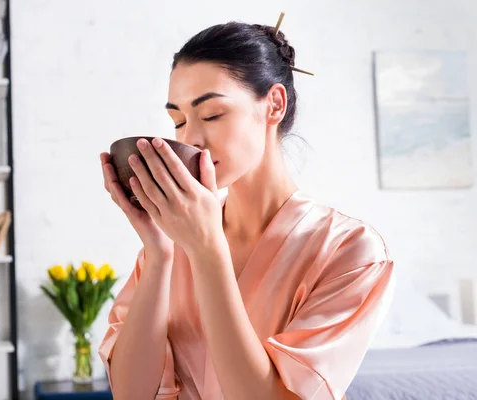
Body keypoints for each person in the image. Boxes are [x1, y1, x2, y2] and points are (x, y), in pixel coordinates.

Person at [98, 15, 395, 400]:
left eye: (212, 115)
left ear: (274, 104)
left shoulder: (350, 251)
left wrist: (208, 254)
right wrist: (158, 252)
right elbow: (131, 394)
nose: (192, 138)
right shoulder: (174, 238)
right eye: (178, 120)